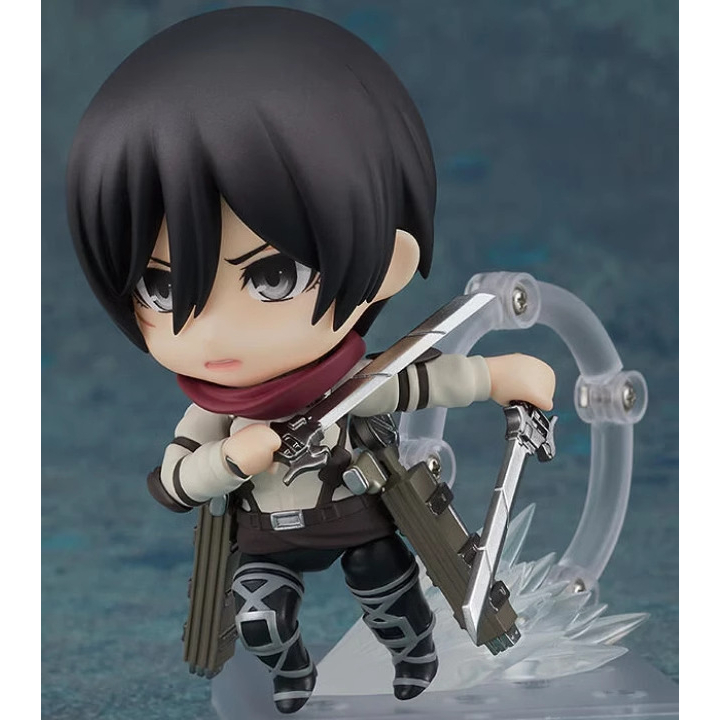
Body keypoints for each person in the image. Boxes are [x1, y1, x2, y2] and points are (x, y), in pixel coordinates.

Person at [67, 7, 554, 714]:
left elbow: (419, 381)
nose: (208, 327)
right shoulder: (215, 414)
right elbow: (173, 483)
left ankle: (413, 655)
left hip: (359, 517)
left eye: (271, 276)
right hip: (265, 537)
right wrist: (228, 461)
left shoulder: (355, 385)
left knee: (393, 600)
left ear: (387, 263)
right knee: (260, 620)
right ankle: (292, 673)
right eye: (162, 287)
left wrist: (497, 375)